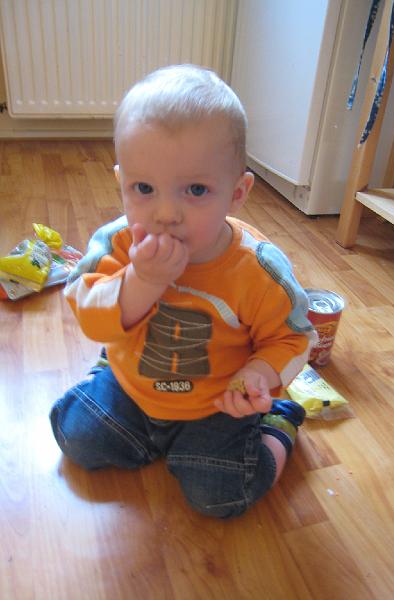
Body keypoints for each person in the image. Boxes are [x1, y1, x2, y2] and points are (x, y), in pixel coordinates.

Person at [50, 64, 317, 519]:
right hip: (132, 385)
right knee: (77, 436)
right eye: (144, 188)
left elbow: (293, 338)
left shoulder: (257, 270)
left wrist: (257, 375)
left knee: (219, 495)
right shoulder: (117, 244)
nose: (166, 213)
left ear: (237, 193)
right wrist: (143, 281)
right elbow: (89, 314)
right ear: (121, 183)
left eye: (195, 189)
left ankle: (277, 423)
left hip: (217, 404)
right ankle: (113, 375)